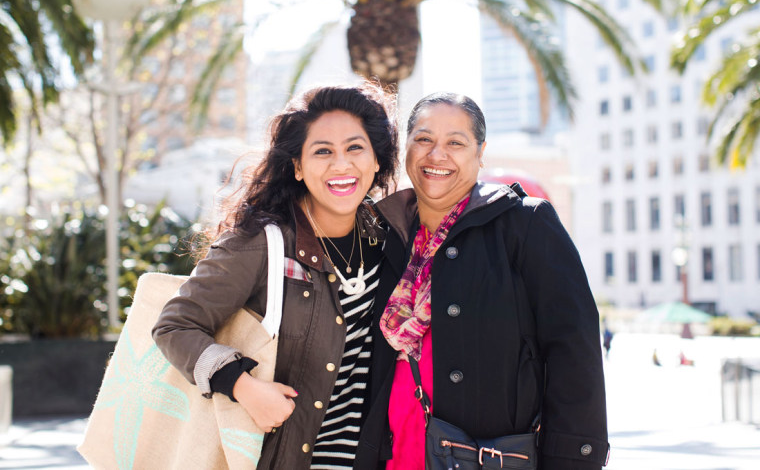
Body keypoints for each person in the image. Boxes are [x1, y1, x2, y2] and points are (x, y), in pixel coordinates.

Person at [355, 92, 608, 469]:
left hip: (487, 457)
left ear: (480, 152)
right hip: (392, 456)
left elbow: (574, 351)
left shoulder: (524, 224)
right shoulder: (383, 231)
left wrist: (572, 459)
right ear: (404, 147)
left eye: (455, 143)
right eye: (424, 139)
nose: (437, 155)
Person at [152, 83, 399, 469]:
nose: (341, 165)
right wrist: (243, 386)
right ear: (297, 167)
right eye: (322, 152)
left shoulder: (387, 241)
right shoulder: (261, 243)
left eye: (355, 148)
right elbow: (174, 326)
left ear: (376, 160)